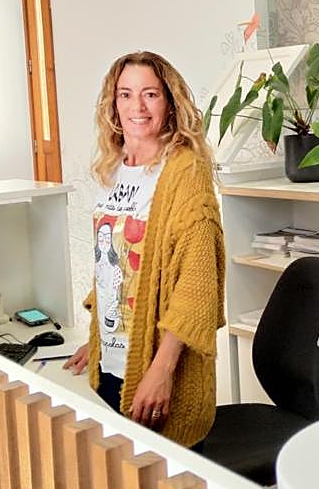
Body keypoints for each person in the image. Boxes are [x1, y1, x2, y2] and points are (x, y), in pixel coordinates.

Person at [65, 51, 225, 447]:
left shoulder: (185, 171)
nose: (137, 106)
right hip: (111, 364)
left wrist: (161, 370)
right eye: (125, 94)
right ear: (113, 104)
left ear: (169, 103)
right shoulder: (113, 167)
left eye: (150, 94)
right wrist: (100, 338)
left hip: (157, 369)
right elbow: (113, 266)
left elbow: (197, 282)